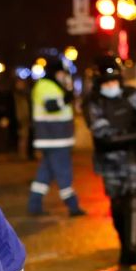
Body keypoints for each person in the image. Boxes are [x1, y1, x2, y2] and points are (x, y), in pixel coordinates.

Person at [85, 55, 136, 268]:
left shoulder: (130, 95)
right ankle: (125, 241)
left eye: (114, 81)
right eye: (106, 83)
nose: (111, 86)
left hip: (133, 159)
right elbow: (103, 135)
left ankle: (132, 248)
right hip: (109, 163)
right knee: (117, 205)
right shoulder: (93, 102)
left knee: (134, 197)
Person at [27, 58, 86, 217]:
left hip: (53, 137)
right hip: (55, 138)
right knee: (64, 172)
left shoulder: (48, 85)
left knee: (45, 173)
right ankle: (73, 206)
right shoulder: (46, 86)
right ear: (56, 72)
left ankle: (34, 204)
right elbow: (51, 106)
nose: (63, 76)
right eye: (61, 73)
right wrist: (67, 97)